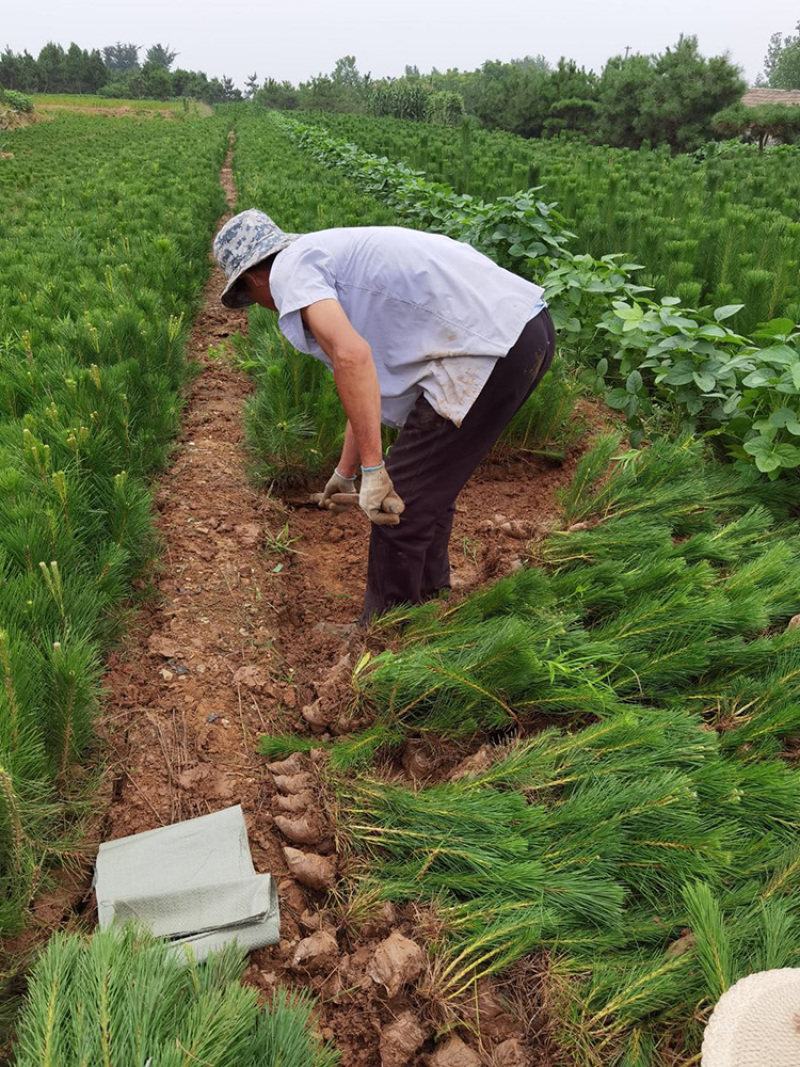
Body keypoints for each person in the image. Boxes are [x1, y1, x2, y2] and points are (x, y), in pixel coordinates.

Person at [213, 209, 555, 624]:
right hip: (522, 330)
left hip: (490, 348)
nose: (261, 307)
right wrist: (347, 470)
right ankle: (428, 608)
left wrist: (375, 470)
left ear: (254, 278)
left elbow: (351, 356)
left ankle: (382, 640)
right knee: (424, 491)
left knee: (397, 505)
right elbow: (365, 378)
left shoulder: (290, 270)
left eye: (250, 298)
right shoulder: (326, 257)